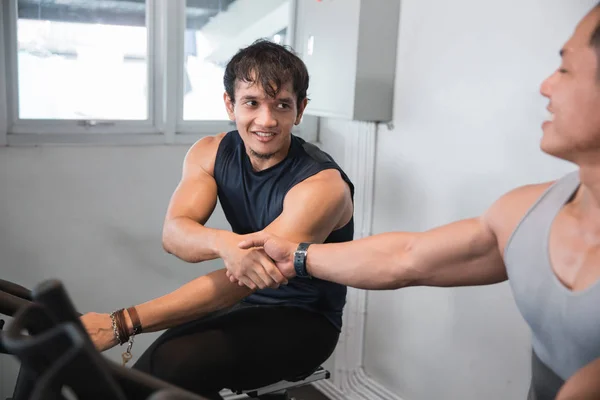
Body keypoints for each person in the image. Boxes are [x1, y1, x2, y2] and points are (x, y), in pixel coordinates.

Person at [234, 4, 600, 400]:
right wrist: (298, 256)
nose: (546, 85)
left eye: (565, 69)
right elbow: (406, 258)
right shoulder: (527, 212)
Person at [80, 39, 355, 400]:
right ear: (230, 104)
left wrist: (122, 323)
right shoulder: (209, 153)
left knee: (178, 363)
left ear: (300, 110)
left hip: (305, 318)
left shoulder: (321, 186)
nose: (266, 120)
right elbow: (174, 234)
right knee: (144, 379)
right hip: (245, 305)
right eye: (252, 103)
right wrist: (224, 243)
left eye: (282, 106)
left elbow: (247, 278)